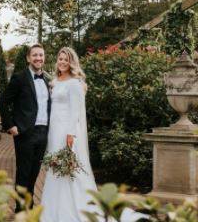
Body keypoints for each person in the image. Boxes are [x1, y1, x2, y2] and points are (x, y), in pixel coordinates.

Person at [40, 47, 147, 222]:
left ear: (71, 62)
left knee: (69, 170)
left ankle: (73, 210)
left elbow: (76, 112)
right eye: (60, 59)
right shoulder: (55, 82)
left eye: (66, 59)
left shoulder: (75, 83)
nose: (62, 62)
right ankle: (52, 210)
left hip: (66, 132)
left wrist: (71, 134)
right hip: (54, 131)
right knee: (55, 169)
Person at [0, 43, 51, 211]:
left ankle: (28, 204)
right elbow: (3, 102)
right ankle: (20, 209)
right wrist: (10, 125)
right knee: (23, 173)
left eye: (41, 55)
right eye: (35, 55)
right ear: (28, 58)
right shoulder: (19, 78)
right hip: (25, 133)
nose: (38, 58)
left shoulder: (47, 79)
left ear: (44, 58)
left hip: (43, 132)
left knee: (35, 172)